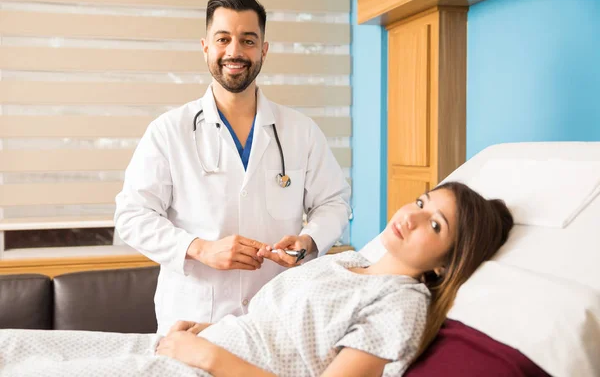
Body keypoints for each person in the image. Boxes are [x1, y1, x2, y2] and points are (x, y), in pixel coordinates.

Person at [0, 182, 513, 377]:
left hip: (207, 370)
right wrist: (203, 335)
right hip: (186, 349)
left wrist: (208, 356)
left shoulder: (400, 304)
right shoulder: (347, 261)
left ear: (446, 262)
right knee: (17, 351)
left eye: (436, 224)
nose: (414, 216)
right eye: (423, 202)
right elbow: (271, 327)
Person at [114, 0, 351, 335]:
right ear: (205, 46)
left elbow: (334, 202)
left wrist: (309, 241)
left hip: (274, 319)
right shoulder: (169, 131)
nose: (235, 52)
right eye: (223, 39)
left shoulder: (301, 131)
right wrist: (199, 249)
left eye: (248, 40)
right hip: (193, 319)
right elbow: (131, 215)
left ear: (264, 50)